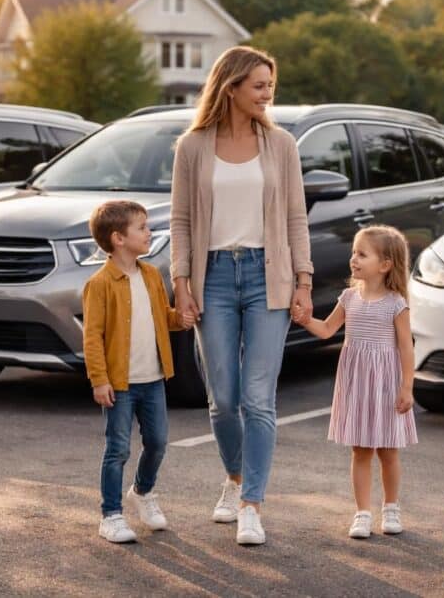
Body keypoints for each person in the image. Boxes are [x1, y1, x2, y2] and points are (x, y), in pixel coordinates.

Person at [170, 46, 314, 545]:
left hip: (266, 276)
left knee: (258, 398)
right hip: (211, 278)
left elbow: (296, 217)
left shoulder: (282, 145)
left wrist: (303, 281)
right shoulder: (192, 147)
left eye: (270, 84)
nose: (267, 93)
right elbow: (181, 221)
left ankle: (252, 504)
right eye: (258, 85)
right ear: (230, 88)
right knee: (224, 399)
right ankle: (234, 478)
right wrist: (182, 284)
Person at [82, 200, 194, 543]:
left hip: (153, 379)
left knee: (157, 443)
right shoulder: (100, 284)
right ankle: (111, 516)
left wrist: (181, 319)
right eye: (142, 228)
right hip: (120, 384)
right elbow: (92, 337)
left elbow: (162, 316)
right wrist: (99, 380)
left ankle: (142, 492)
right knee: (118, 449)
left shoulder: (150, 275)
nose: (149, 233)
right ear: (119, 238)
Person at [296, 225, 417, 539]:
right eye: (354, 252)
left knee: (388, 450)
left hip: (386, 384)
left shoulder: (396, 303)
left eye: (362, 254)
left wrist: (407, 387)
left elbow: (406, 347)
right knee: (361, 450)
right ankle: (362, 513)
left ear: (385, 264)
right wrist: (304, 319)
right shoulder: (349, 297)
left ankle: (391, 507)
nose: (354, 259)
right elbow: (326, 330)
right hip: (357, 384)